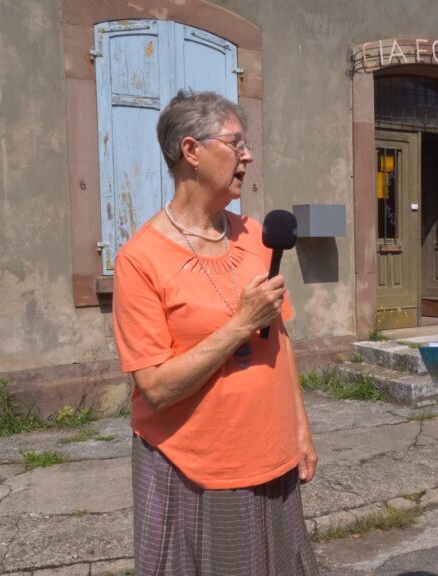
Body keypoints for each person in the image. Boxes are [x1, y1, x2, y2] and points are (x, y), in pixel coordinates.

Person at [112, 90, 319, 576]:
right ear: (191, 151)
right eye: (235, 143)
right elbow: (156, 388)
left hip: (270, 452)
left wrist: (301, 429)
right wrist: (241, 323)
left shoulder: (254, 235)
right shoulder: (140, 260)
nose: (248, 155)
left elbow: (279, 340)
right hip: (193, 466)